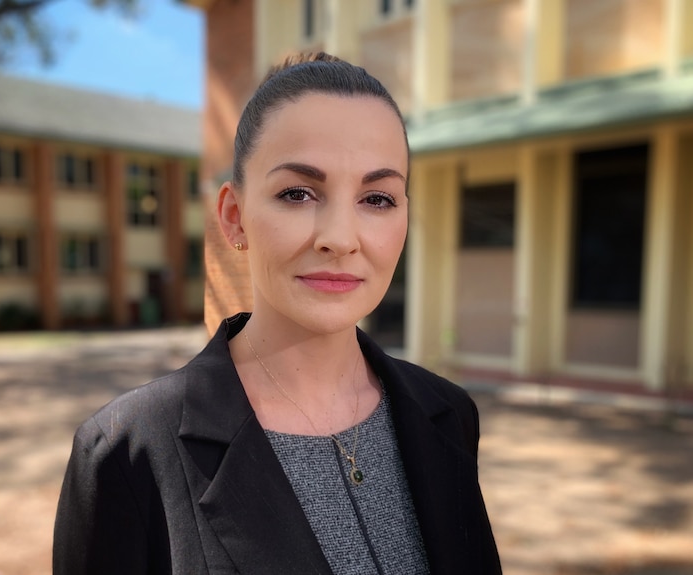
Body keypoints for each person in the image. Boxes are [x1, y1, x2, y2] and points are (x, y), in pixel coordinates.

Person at [53, 52, 502, 575]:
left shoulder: (448, 414)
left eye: (377, 198)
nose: (339, 238)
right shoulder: (127, 455)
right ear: (234, 217)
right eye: (297, 193)